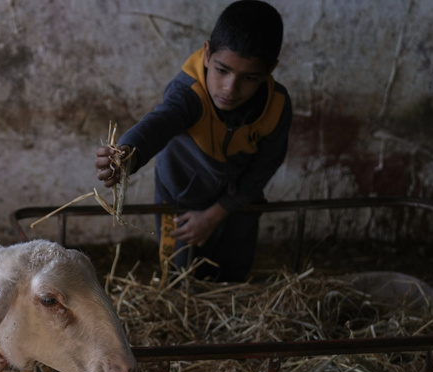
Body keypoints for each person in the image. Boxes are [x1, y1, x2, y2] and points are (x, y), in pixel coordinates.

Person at [96, 0, 291, 282]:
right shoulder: (190, 92)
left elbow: (265, 165)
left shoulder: (276, 107)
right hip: (180, 196)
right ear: (208, 54)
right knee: (178, 272)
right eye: (222, 70)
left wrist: (215, 215)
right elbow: (160, 122)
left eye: (249, 77)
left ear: (270, 69)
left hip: (238, 197)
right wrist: (126, 154)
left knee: (233, 269)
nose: (230, 88)